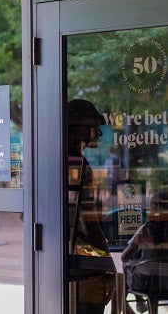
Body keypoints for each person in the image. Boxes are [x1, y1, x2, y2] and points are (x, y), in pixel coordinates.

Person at [67, 99, 116, 314]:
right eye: (94, 126)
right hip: (81, 261)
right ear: (78, 129)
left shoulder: (54, 159)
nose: (99, 133)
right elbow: (89, 218)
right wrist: (107, 262)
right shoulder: (78, 164)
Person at [121, 188, 168, 314]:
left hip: (146, 285)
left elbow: (124, 257)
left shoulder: (146, 229)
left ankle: (137, 300)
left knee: (126, 267)